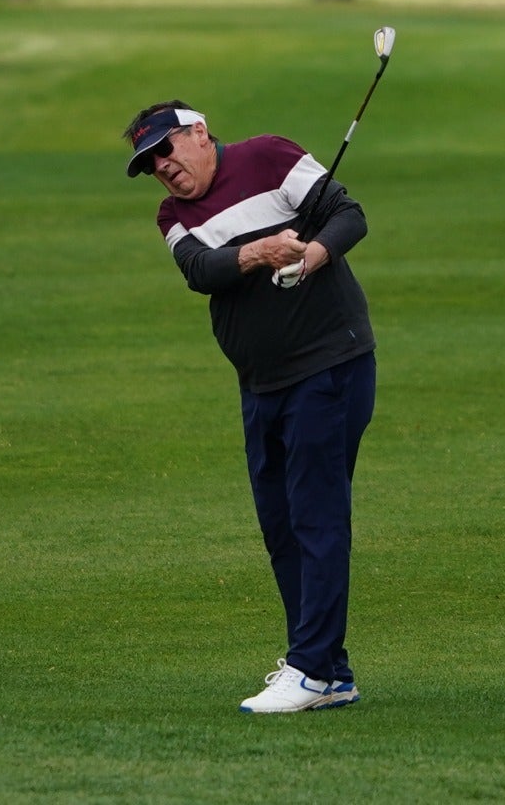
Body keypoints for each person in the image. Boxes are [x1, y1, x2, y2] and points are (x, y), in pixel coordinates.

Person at [123, 101, 377, 714]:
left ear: (200, 133)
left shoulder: (269, 155)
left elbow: (348, 216)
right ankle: (330, 671)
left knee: (316, 517)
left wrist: (311, 256)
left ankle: (312, 669)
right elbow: (201, 271)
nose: (163, 167)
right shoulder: (172, 215)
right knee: (281, 525)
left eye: (167, 149)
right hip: (261, 384)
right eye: (150, 162)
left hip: (329, 365)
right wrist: (262, 253)